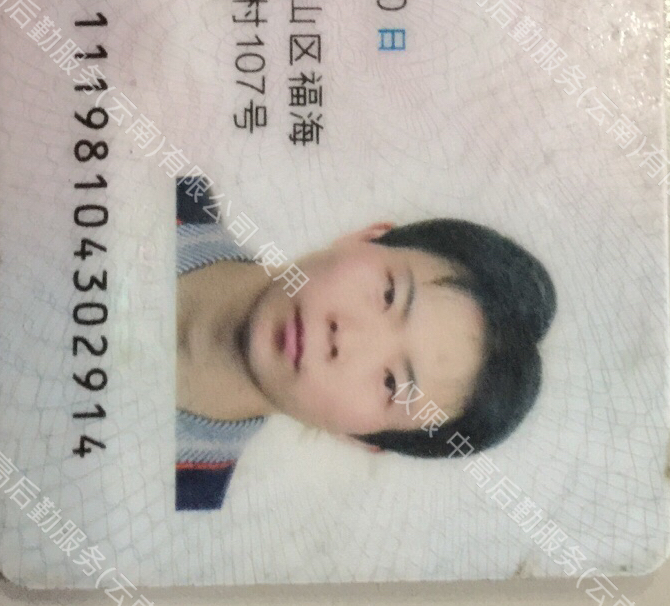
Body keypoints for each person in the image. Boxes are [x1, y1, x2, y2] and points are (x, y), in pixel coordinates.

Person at [175, 175, 557, 510]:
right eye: (390, 295)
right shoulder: (169, 181)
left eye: (391, 383)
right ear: (366, 239)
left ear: (361, 439)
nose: (346, 338)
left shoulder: (183, 497)